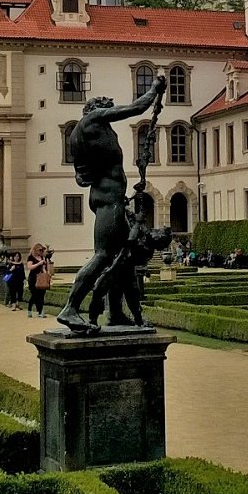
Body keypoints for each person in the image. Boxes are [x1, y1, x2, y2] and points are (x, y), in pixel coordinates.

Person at [56, 75, 168, 334]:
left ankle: (116, 312)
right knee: (103, 255)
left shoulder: (85, 132)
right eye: (107, 106)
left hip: (110, 197)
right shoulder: (92, 120)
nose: (110, 109)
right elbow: (135, 108)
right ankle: (70, 308)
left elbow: (81, 175)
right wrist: (154, 90)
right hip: (109, 199)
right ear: (97, 109)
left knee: (124, 260)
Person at [26, 244, 52, 318]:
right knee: (34, 295)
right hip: (33, 278)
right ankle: (29, 309)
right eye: (40, 250)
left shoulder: (43, 258)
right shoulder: (31, 257)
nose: (41, 251)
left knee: (41, 295)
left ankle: (40, 311)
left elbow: (45, 268)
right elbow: (30, 267)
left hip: (42, 278)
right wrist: (38, 263)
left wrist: (47, 275)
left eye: (42, 250)